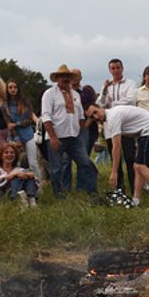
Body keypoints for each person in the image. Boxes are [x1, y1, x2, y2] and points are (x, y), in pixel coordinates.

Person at [86, 103, 149, 209]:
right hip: (146, 132)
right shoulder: (108, 121)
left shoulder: (113, 117)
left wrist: (114, 172)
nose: (96, 117)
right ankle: (136, 200)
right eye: (92, 117)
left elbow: (116, 147)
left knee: (141, 166)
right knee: (137, 166)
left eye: (95, 112)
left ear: (101, 108)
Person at [41, 64, 98, 197]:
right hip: (57, 137)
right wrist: (53, 138)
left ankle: (91, 191)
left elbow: (81, 116)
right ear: (57, 78)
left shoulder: (76, 94)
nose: (65, 78)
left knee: (86, 163)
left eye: (67, 76)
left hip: (74, 137)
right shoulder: (49, 94)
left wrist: (81, 131)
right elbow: (46, 117)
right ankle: (59, 195)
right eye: (62, 76)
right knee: (57, 168)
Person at [96, 58, 138, 194]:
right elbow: (100, 104)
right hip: (111, 127)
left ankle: (135, 188)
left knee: (130, 158)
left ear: (122, 68)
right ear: (109, 70)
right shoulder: (107, 86)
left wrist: (112, 106)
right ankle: (120, 190)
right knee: (115, 159)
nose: (115, 71)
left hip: (126, 127)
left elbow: (131, 100)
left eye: (118, 68)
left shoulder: (130, 83)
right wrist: (104, 91)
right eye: (113, 68)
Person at [6, 79, 43, 186]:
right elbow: (9, 124)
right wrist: (16, 138)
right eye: (10, 87)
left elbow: (29, 119)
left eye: (15, 87)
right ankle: (17, 186)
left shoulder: (25, 102)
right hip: (14, 136)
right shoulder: (5, 105)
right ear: (7, 89)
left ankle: (38, 185)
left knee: (33, 163)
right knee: (16, 163)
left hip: (28, 134)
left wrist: (17, 124)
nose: (13, 89)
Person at [0, 142, 39, 207]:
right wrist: (14, 174)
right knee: (16, 178)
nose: (9, 154)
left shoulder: (19, 169)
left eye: (12, 152)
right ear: (1, 156)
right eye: (6, 152)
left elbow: (37, 185)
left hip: (17, 194)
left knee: (27, 176)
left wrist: (30, 175)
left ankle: (31, 200)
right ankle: (15, 200)